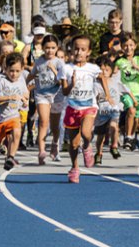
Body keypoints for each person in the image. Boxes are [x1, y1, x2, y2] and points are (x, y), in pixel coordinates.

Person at [60, 35, 109, 183]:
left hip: (89, 106)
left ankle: (87, 146)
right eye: (76, 49)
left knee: (86, 133)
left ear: (88, 52)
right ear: (71, 50)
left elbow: (102, 78)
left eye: (83, 49)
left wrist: (106, 94)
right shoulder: (66, 68)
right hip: (73, 108)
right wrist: (72, 84)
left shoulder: (93, 68)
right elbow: (64, 92)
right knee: (74, 144)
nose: (79, 52)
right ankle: (75, 168)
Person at [28, 34, 65, 164]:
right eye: (47, 47)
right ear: (43, 48)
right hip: (42, 94)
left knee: (55, 126)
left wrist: (54, 70)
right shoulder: (38, 62)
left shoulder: (59, 63)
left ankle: (55, 143)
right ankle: (41, 151)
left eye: (53, 48)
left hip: (56, 96)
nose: (50, 50)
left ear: (57, 48)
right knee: (43, 122)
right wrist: (24, 87)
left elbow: (62, 82)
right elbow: (31, 75)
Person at [0, 52, 29, 171]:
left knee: (16, 133)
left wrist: (25, 101)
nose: (14, 74)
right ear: (5, 69)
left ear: (22, 69)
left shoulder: (21, 80)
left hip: (13, 115)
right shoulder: (1, 81)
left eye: (17, 71)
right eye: (11, 71)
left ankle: (11, 157)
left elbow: (24, 94)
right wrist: (9, 97)